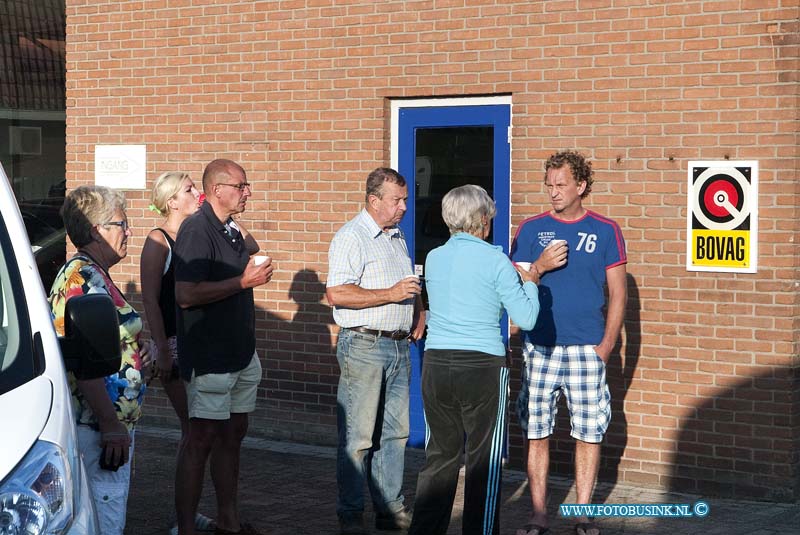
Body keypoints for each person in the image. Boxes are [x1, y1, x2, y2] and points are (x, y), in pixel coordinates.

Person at [407, 185, 540, 535]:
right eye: (490, 218)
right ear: (482, 220)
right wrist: (532, 283)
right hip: (482, 367)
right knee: (484, 462)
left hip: (437, 363)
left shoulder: (434, 257)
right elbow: (526, 318)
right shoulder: (495, 259)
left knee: (440, 457)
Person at [510, 151, 628, 535]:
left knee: (588, 432)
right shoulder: (530, 230)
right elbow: (514, 289)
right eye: (549, 184)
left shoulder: (606, 230)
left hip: (586, 348)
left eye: (561, 185)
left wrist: (606, 345)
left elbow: (618, 293)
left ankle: (582, 513)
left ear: (581, 186)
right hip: (540, 346)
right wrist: (539, 266)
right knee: (537, 431)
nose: (553, 192)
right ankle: (539, 514)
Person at [173, 159, 270, 535]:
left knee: (234, 434)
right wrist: (243, 283)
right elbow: (184, 295)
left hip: (241, 353)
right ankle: (186, 527)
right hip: (211, 355)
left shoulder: (228, 227)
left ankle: (229, 521)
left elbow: (253, 249)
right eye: (241, 186)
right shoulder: (196, 230)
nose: (248, 192)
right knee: (202, 438)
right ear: (217, 190)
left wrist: (235, 223)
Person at [326, 167, 425, 535]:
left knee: (395, 434)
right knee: (358, 439)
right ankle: (350, 515)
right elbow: (337, 293)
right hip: (364, 346)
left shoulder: (396, 236)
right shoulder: (352, 237)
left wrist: (418, 312)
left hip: (399, 346)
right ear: (373, 200)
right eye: (396, 200)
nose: (403, 207)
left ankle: (390, 509)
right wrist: (391, 295)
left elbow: (406, 285)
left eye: (405, 200)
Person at [49, 185, 151, 535]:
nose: (129, 232)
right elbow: (85, 361)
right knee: (103, 521)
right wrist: (109, 423)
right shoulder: (83, 278)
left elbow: (108, 341)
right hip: (97, 430)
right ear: (97, 231)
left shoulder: (95, 274)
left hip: (106, 428)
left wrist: (138, 352)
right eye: (122, 224)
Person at [140, 171, 216, 533]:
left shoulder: (195, 233)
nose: (197, 194)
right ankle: (183, 520)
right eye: (188, 190)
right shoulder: (159, 240)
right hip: (173, 344)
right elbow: (151, 299)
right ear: (171, 201)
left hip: (200, 345)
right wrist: (162, 351)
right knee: (194, 428)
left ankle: (191, 512)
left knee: (204, 431)